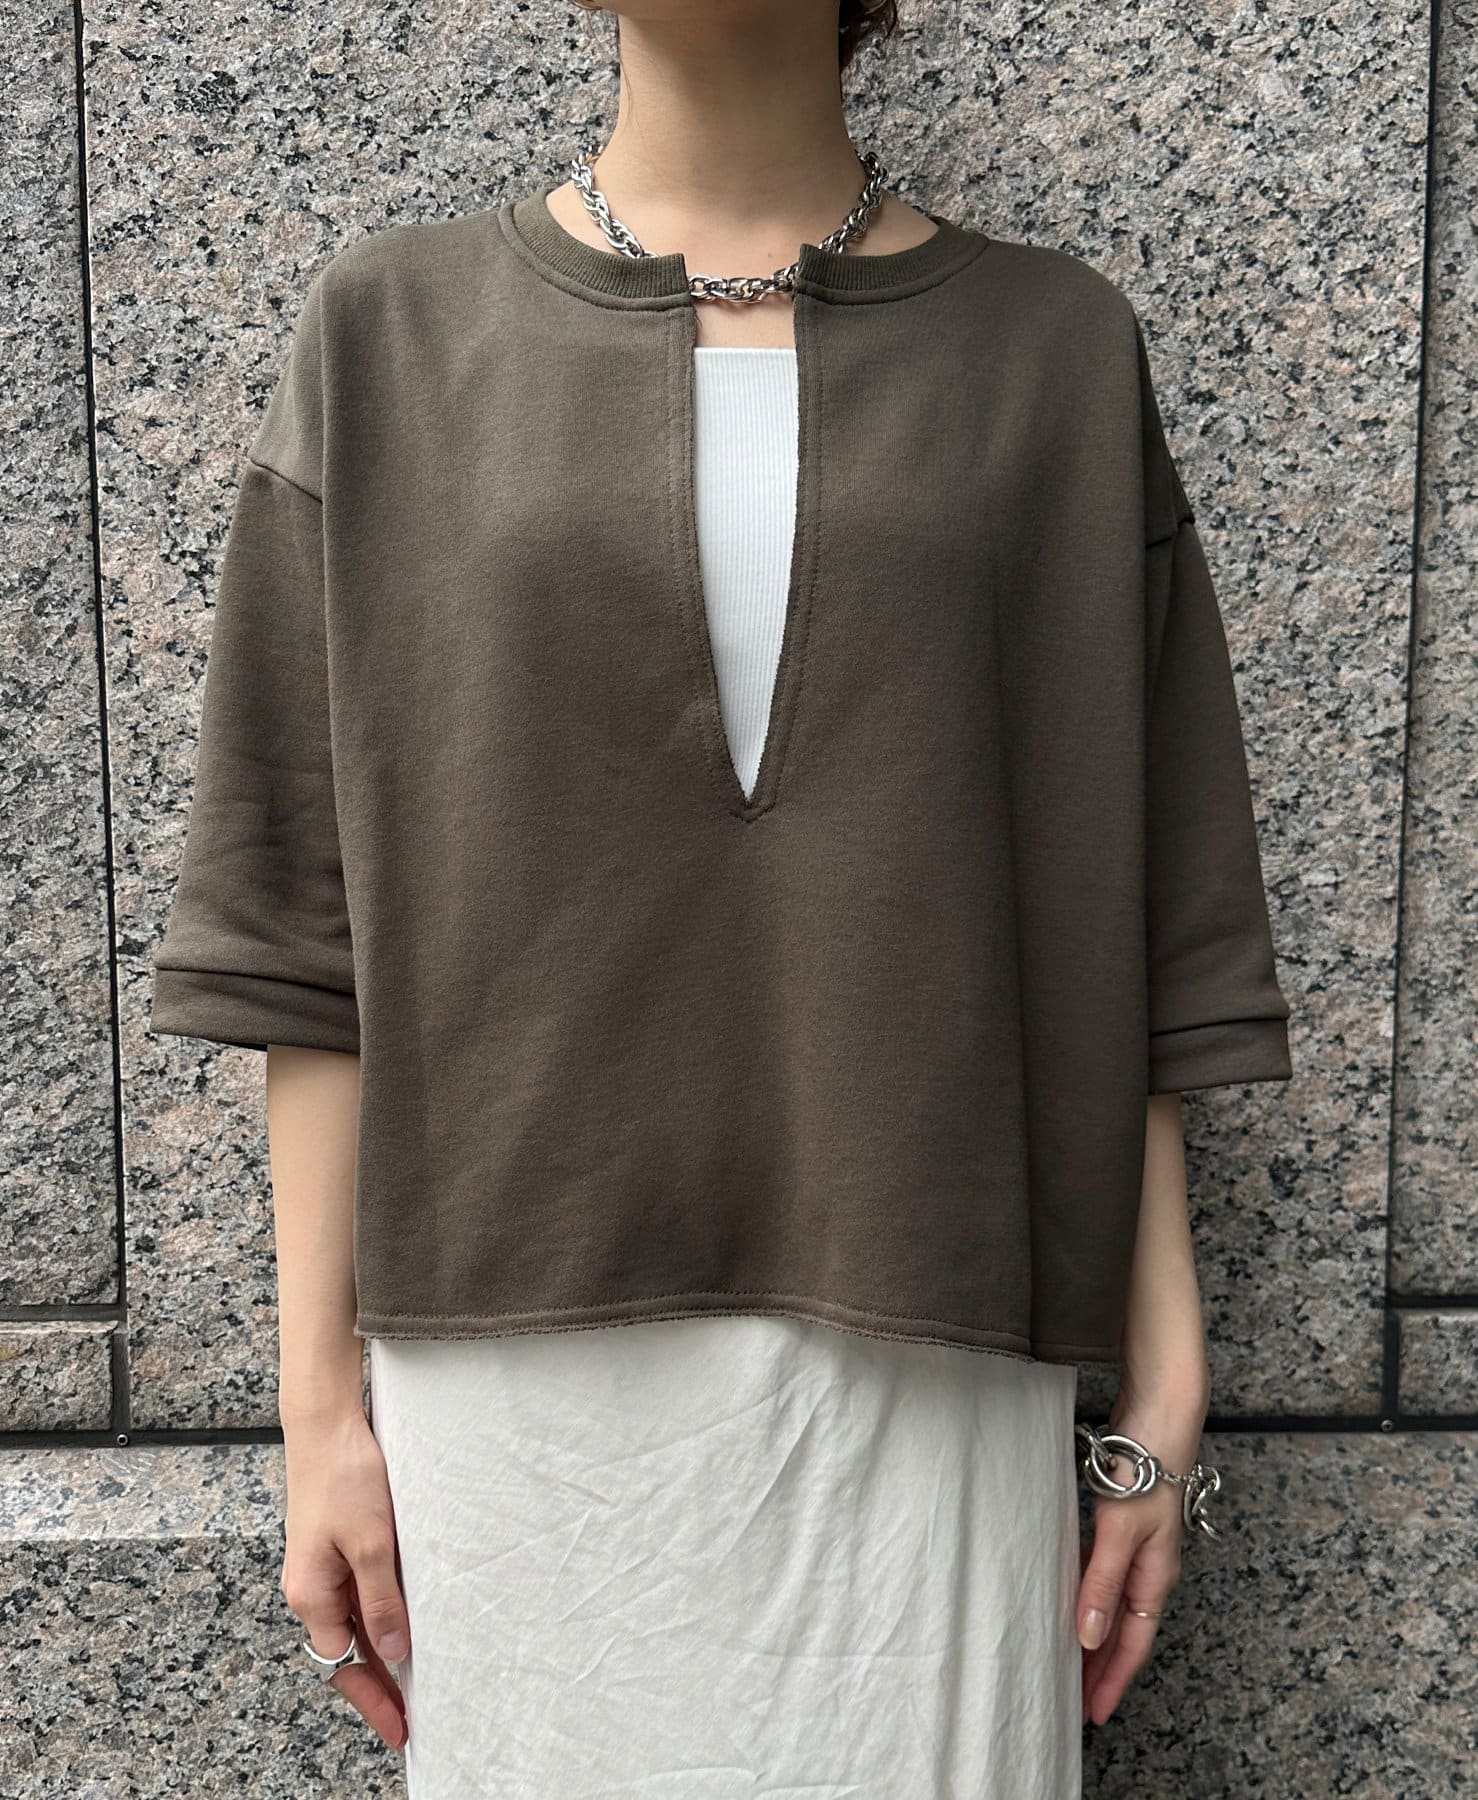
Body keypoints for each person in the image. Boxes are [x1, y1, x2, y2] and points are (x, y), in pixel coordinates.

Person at [149, 2, 1293, 1794]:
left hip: (935, 1349)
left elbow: (1128, 912)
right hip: (511, 1374)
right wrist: (317, 1419)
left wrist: (1163, 1385)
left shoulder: (1053, 350)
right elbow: (299, 927)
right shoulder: (390, 334)